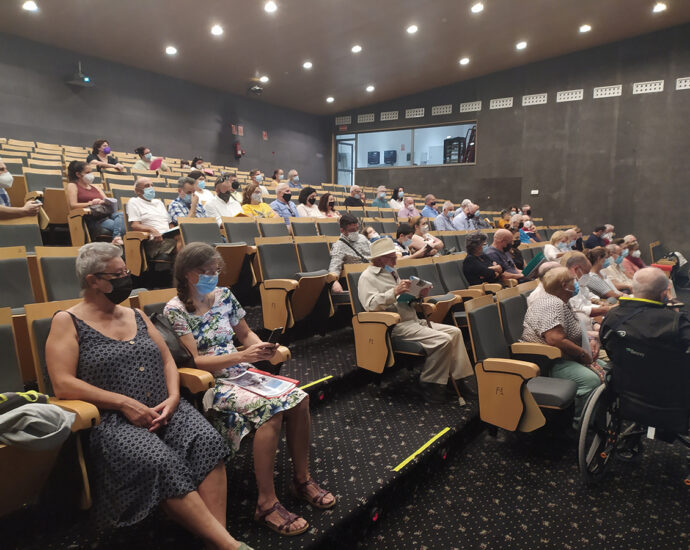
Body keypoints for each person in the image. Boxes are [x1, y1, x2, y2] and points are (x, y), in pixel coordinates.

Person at [44, 243, 247, 550]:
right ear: (93, 280)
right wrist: (123, 403)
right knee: (158, 460)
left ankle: (216, 539)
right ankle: (229, 546)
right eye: (119, 274)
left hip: (166, 407)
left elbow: (168, 359)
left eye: (126, 271)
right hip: (114, 420)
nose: (127, 278)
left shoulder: (136, 314)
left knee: (208, 441)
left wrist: (175, 397)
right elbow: (63, 384)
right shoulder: (67, 321)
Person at [164, 243, 335, 536]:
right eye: (205, 272)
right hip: (212, 382)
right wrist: (242, 355)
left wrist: (260, 348)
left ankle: (301, 480)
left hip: (241, 372)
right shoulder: (176, 309)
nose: (212, 276)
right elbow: (197, 360)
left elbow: (244, 333)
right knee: (272, 412)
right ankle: (266, 503)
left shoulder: (225, 296)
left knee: (300, 399)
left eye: (215, 270)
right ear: (187, 274)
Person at [358, 238, 477, 403]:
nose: (396, 260)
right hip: (395, 326)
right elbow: (370, 306)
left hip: (413, 320)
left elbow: (402, 300)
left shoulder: (391, 271)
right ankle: (429, 383)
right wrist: (394, 292)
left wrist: (417, 295)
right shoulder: (367, 277)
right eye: (392, 257)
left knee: (455, 332)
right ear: (379, 259)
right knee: (443, 340)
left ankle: (456, 381)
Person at [520, 267, 602, 423]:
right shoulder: (551, 304)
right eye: (573, 281)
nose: (576, 283)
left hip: (565, 357)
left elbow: (575, 330)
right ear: (565, 285)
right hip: (549, 361)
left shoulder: (562, 302)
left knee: (605, 368)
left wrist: (591, 341)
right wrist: (582, 353)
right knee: (591, 381)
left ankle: (595, 417)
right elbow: (555, 339)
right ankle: (577, 423)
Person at [600, 266, 690, 370]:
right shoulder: (676, 322)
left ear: (633, 290)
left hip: (624, 380)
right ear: (664, 293)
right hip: (668, 381)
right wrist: (675, 315)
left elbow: (608, 347)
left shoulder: (611, 316)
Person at [66, 161, 125, 245]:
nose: (91, 174)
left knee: (122, 214)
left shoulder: (96, 187)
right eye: (87, 172)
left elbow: (106, 200)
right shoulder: (72, 186)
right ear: (78, 174)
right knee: (125, 227)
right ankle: (116, 241)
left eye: (91, 172)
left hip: (106, 213)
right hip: (95, 218)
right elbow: (73, 205)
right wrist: (90, 203)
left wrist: (102, 201)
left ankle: (116, 238)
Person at [127, 177, 179, 258]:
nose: (151, 188)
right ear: (138, 191)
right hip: (154, 240)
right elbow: (135, 225)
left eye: (152, 185)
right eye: (147, 186)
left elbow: (170, 224)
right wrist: (152, 230)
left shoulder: (159, 202)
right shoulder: (134, 202)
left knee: (185, 237)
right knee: (183, 242)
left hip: (167, 237)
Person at [562, 252, 615, 326]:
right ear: (576, 269)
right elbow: (582, 309)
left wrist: (599, 302)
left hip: (593, 319)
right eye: (586, 272)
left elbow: (588, 294)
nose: (588, 275)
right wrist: (608, 309)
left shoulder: (578, 281)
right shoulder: (568, 287)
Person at [328, 213, 370, 293]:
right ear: (342, 230)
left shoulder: (362, 238)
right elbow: (334, 267)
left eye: (357, 229)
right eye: (352, 230)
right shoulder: (339, 246)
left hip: (372, 272)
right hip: (358, 278)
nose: (355, 232)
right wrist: (334, 282)